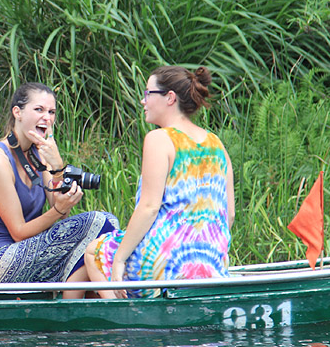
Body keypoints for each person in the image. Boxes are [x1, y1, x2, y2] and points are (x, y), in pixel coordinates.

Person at [86, 66, 235, 298]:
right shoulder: (217, 144)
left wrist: (119, 259)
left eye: (148, 93)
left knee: (95, 251)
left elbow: (149, 207)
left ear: (170, 98)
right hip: (213, 264)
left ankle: (122, 317)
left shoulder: (159, 139)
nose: (143, 101)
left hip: (165, 264)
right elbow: (230, 215)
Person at [0, 83, 120, 299]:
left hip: (28, 251)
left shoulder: (38, 154)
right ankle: (85, 303)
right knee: (100, 221)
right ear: (17, 112)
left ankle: (72, 306)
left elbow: (60, 209)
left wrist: (57, 166)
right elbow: (19, 232)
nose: (47, 118)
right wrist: (59, 210)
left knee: (107, 227)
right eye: (39, 110)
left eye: (51, 112)